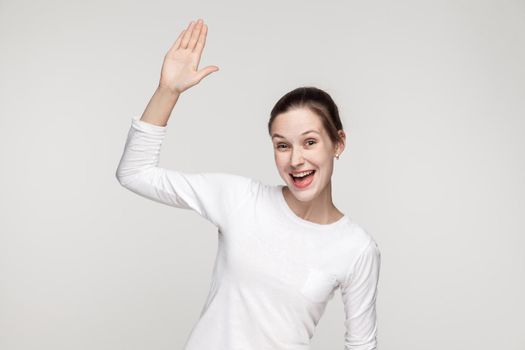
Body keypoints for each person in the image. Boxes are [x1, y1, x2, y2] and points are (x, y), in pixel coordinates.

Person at [115, 18, 381, 350]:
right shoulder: (240, 198)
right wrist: (167, 91)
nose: (296, 159)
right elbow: (134, 173)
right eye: (283, 145)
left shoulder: (356, 248)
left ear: (337, 144)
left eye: (310, 142)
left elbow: (361, 346)